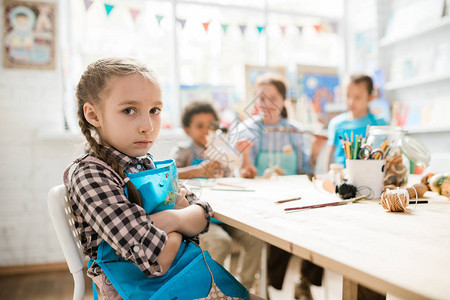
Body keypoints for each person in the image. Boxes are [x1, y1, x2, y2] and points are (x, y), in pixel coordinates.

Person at [64, 58, 263, 300]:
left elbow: (202, 216)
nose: (147, 125)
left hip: (185, 279)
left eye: (154, 111)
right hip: (146, 292)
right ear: (93, 115)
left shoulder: (146, 164)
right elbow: (160, 258)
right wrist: (178, 220)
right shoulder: (91, 175)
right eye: (129, 110)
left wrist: (165, 222)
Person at [234, 73, 326, 300]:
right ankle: (269, 283)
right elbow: (244, 173)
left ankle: (303, 280)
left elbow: (305, 169)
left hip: (292, 197)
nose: (266, 104)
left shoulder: (294, 130)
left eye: (273, 98)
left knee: (321, 225)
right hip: (260, 201)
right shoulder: (248, 129)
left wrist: (315, 151)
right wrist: (246, 167)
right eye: (261, 98)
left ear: (284, 100)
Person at [171, 100, 263, 290]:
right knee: (220, 242)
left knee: (256, 237)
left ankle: (241, 288)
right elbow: (169, 175)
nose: (206, 131)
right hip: (199, 219)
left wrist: (244, 171)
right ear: (187, 130)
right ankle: (212, 289)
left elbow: (231, 178)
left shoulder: (222, 152)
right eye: (199, 126)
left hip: (225, 215)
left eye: (211, 126)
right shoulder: (183, 152)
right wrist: (197, 170)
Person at [325, 74, 388, 168]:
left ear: (370, 97)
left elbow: (385, 154)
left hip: (371, 176)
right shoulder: (336, 124)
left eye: (357, 97)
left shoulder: (380, 123)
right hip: (343, 178)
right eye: (347, 96)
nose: (351, 101)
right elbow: (329, 155)